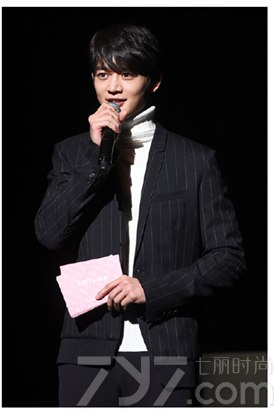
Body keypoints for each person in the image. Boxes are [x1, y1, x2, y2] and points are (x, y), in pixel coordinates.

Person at [34, 24, 245, 407]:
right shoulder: (72, 153)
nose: (113, 87)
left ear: (154, 81)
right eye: (103, 75)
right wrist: (96, 159)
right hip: (86, 348)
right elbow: (49, 234)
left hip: (166, 351)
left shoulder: (195, 160)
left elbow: (228, 258)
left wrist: (152, 289)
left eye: (127, 74)